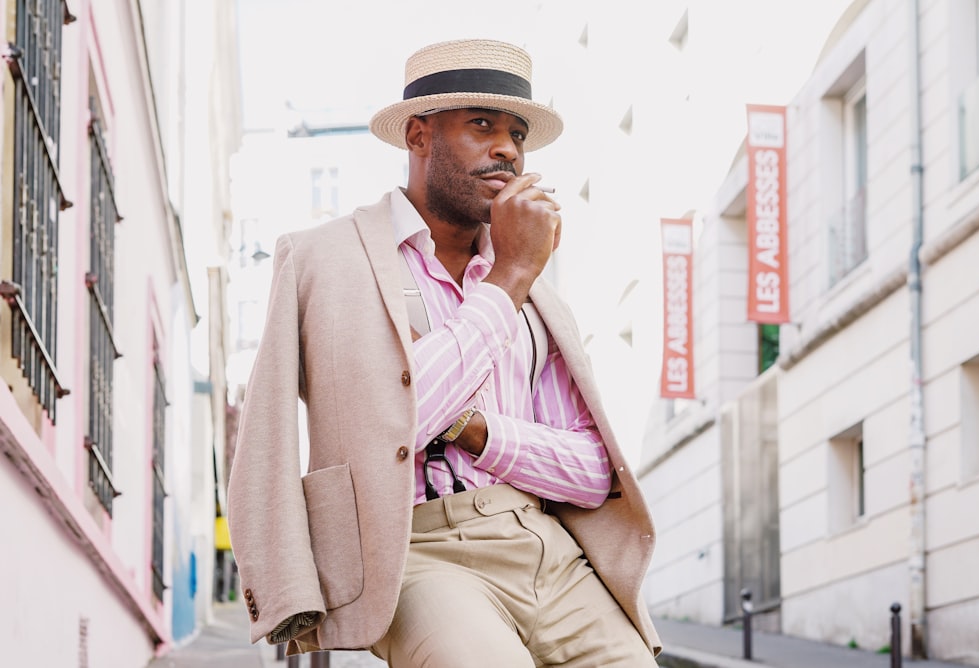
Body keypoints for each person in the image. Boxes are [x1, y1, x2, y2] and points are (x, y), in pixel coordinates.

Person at [227, 38, 662, 668]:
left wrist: (479, 431)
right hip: (416, 551)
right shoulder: (323, 258)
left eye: (517, 133)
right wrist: (507, 278)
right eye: (482, 125)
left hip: (548, 549)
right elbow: (380, 422)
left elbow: (594, 471)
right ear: (418, 135)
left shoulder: (539, 296)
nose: (507, 149)